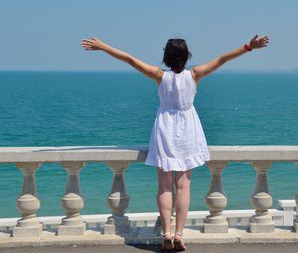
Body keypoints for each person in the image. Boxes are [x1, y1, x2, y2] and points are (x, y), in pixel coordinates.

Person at [80, 34, 269, 251]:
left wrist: (103, 46)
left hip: (165, 129)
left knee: (164, 186)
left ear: (166, 57)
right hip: (188, 130)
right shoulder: (195, 74)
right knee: (183, 185)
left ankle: (167, 234)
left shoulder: (160, 76)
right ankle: (179, 234)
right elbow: (222, 60)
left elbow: (130, 59)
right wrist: (248, 47)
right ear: (186, 57)